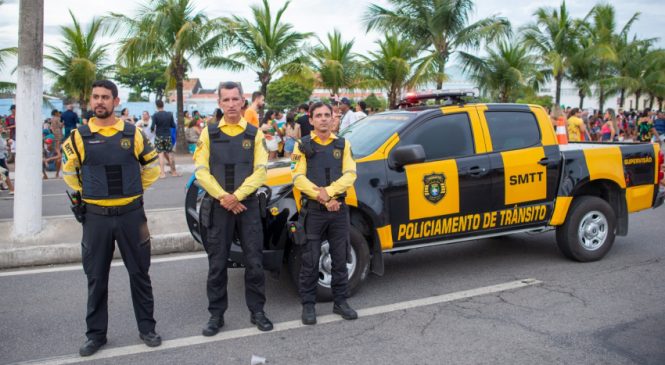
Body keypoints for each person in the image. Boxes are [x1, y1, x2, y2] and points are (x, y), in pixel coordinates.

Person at [60, 80, 162, 356]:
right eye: (96, 97)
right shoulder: (78, 136)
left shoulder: (134, 133)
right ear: (91, 101)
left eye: (106, 97)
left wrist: (134, 188)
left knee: (140, 274)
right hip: (96, 218)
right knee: (96, 278)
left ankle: (147, 328)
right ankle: (95, 335)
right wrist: (88, 193)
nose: (100, 101)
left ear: (116, 101)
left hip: (131, 215)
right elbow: (68, 172)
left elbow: (153, 167)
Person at [193, 81, 273, 335]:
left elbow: (261, 171)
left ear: (242, 102)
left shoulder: (254, 134)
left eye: (234, 99)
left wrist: (236, 196)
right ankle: (216, 315)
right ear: (219, 103)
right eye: (225, 100)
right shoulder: (209, 133)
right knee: (217, 263)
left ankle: (257, 311)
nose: (230, 104)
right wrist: (224, 197)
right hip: (219, 206)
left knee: (254, 261)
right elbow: (201, 171)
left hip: (247, 206)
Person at [291, 101, 358, 325]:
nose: (322, 119)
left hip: (337, 209)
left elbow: (350, 174)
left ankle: (341, 302)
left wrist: (329, 194)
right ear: (310, 120)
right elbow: (298, 178)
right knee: (310, 260)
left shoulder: (343, 144)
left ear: (333, 118)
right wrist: (324, 198)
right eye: (318, 115)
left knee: (340, 258)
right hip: (314, 212)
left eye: (326, 115)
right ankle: (308, 305)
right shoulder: (302, 145)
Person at [151, 99, 179, 178]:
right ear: (163, 105)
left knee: (161, 154)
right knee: (170, 153)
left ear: (157, 106)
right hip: (167, 136)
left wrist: (154, 129)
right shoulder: (169, 114)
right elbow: (173, 125)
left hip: (159, 136)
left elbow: (152, 127)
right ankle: (173, 172)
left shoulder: (155, 115)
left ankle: (162, 173)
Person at [0, 129, 14, 194]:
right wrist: (7, 147)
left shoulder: (1, 135)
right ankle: (11, 189)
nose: (1, 128)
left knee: (3, 172)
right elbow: (1, 146)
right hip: (0, 157)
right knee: (4, 173)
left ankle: (4, 186)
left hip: (2, 156)